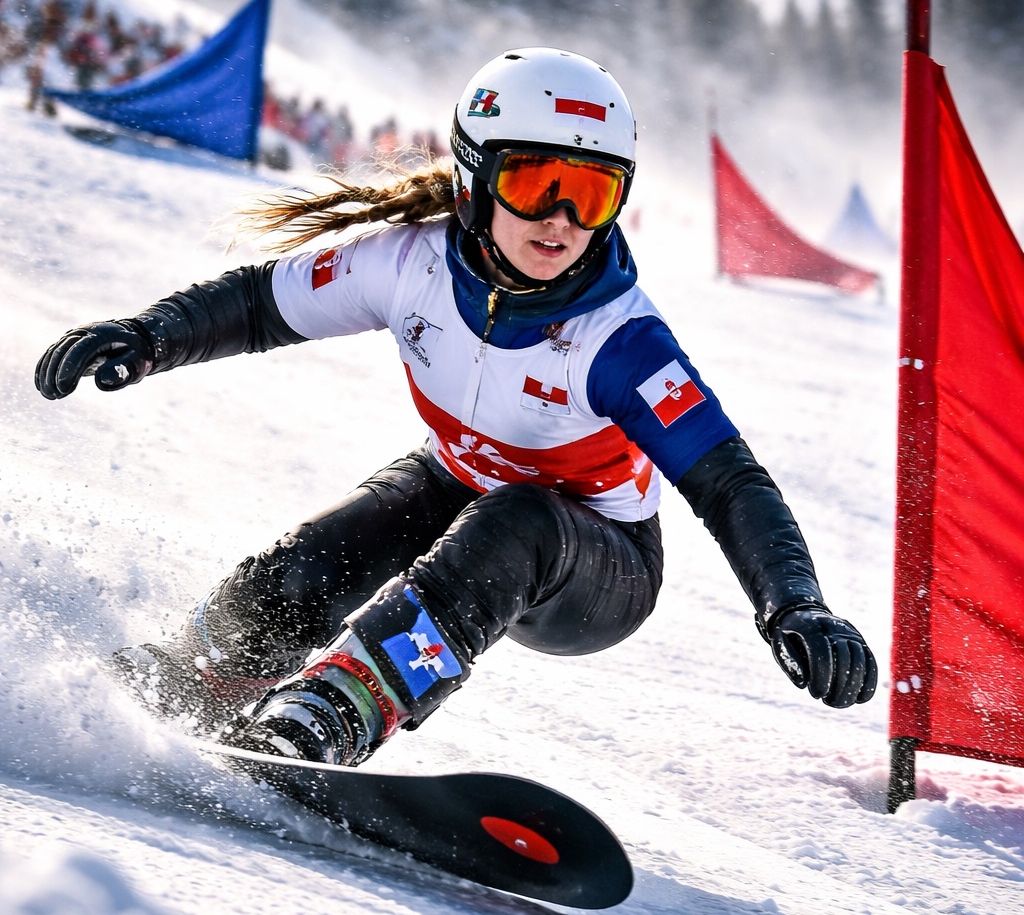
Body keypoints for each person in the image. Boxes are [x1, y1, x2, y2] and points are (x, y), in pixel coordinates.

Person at [34, 48, 877, 768]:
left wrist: (793, 602)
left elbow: (729, 481)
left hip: (596, 567)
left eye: (591, 195)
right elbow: (261, 304)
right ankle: (199, 676)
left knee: (517, 519)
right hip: (458, 482)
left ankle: (339, 709)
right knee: (321, 554)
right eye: (536, 183)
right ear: (475, 178)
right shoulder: (409, 263)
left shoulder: (620, 341)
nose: (561, 220)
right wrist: (150, 336)